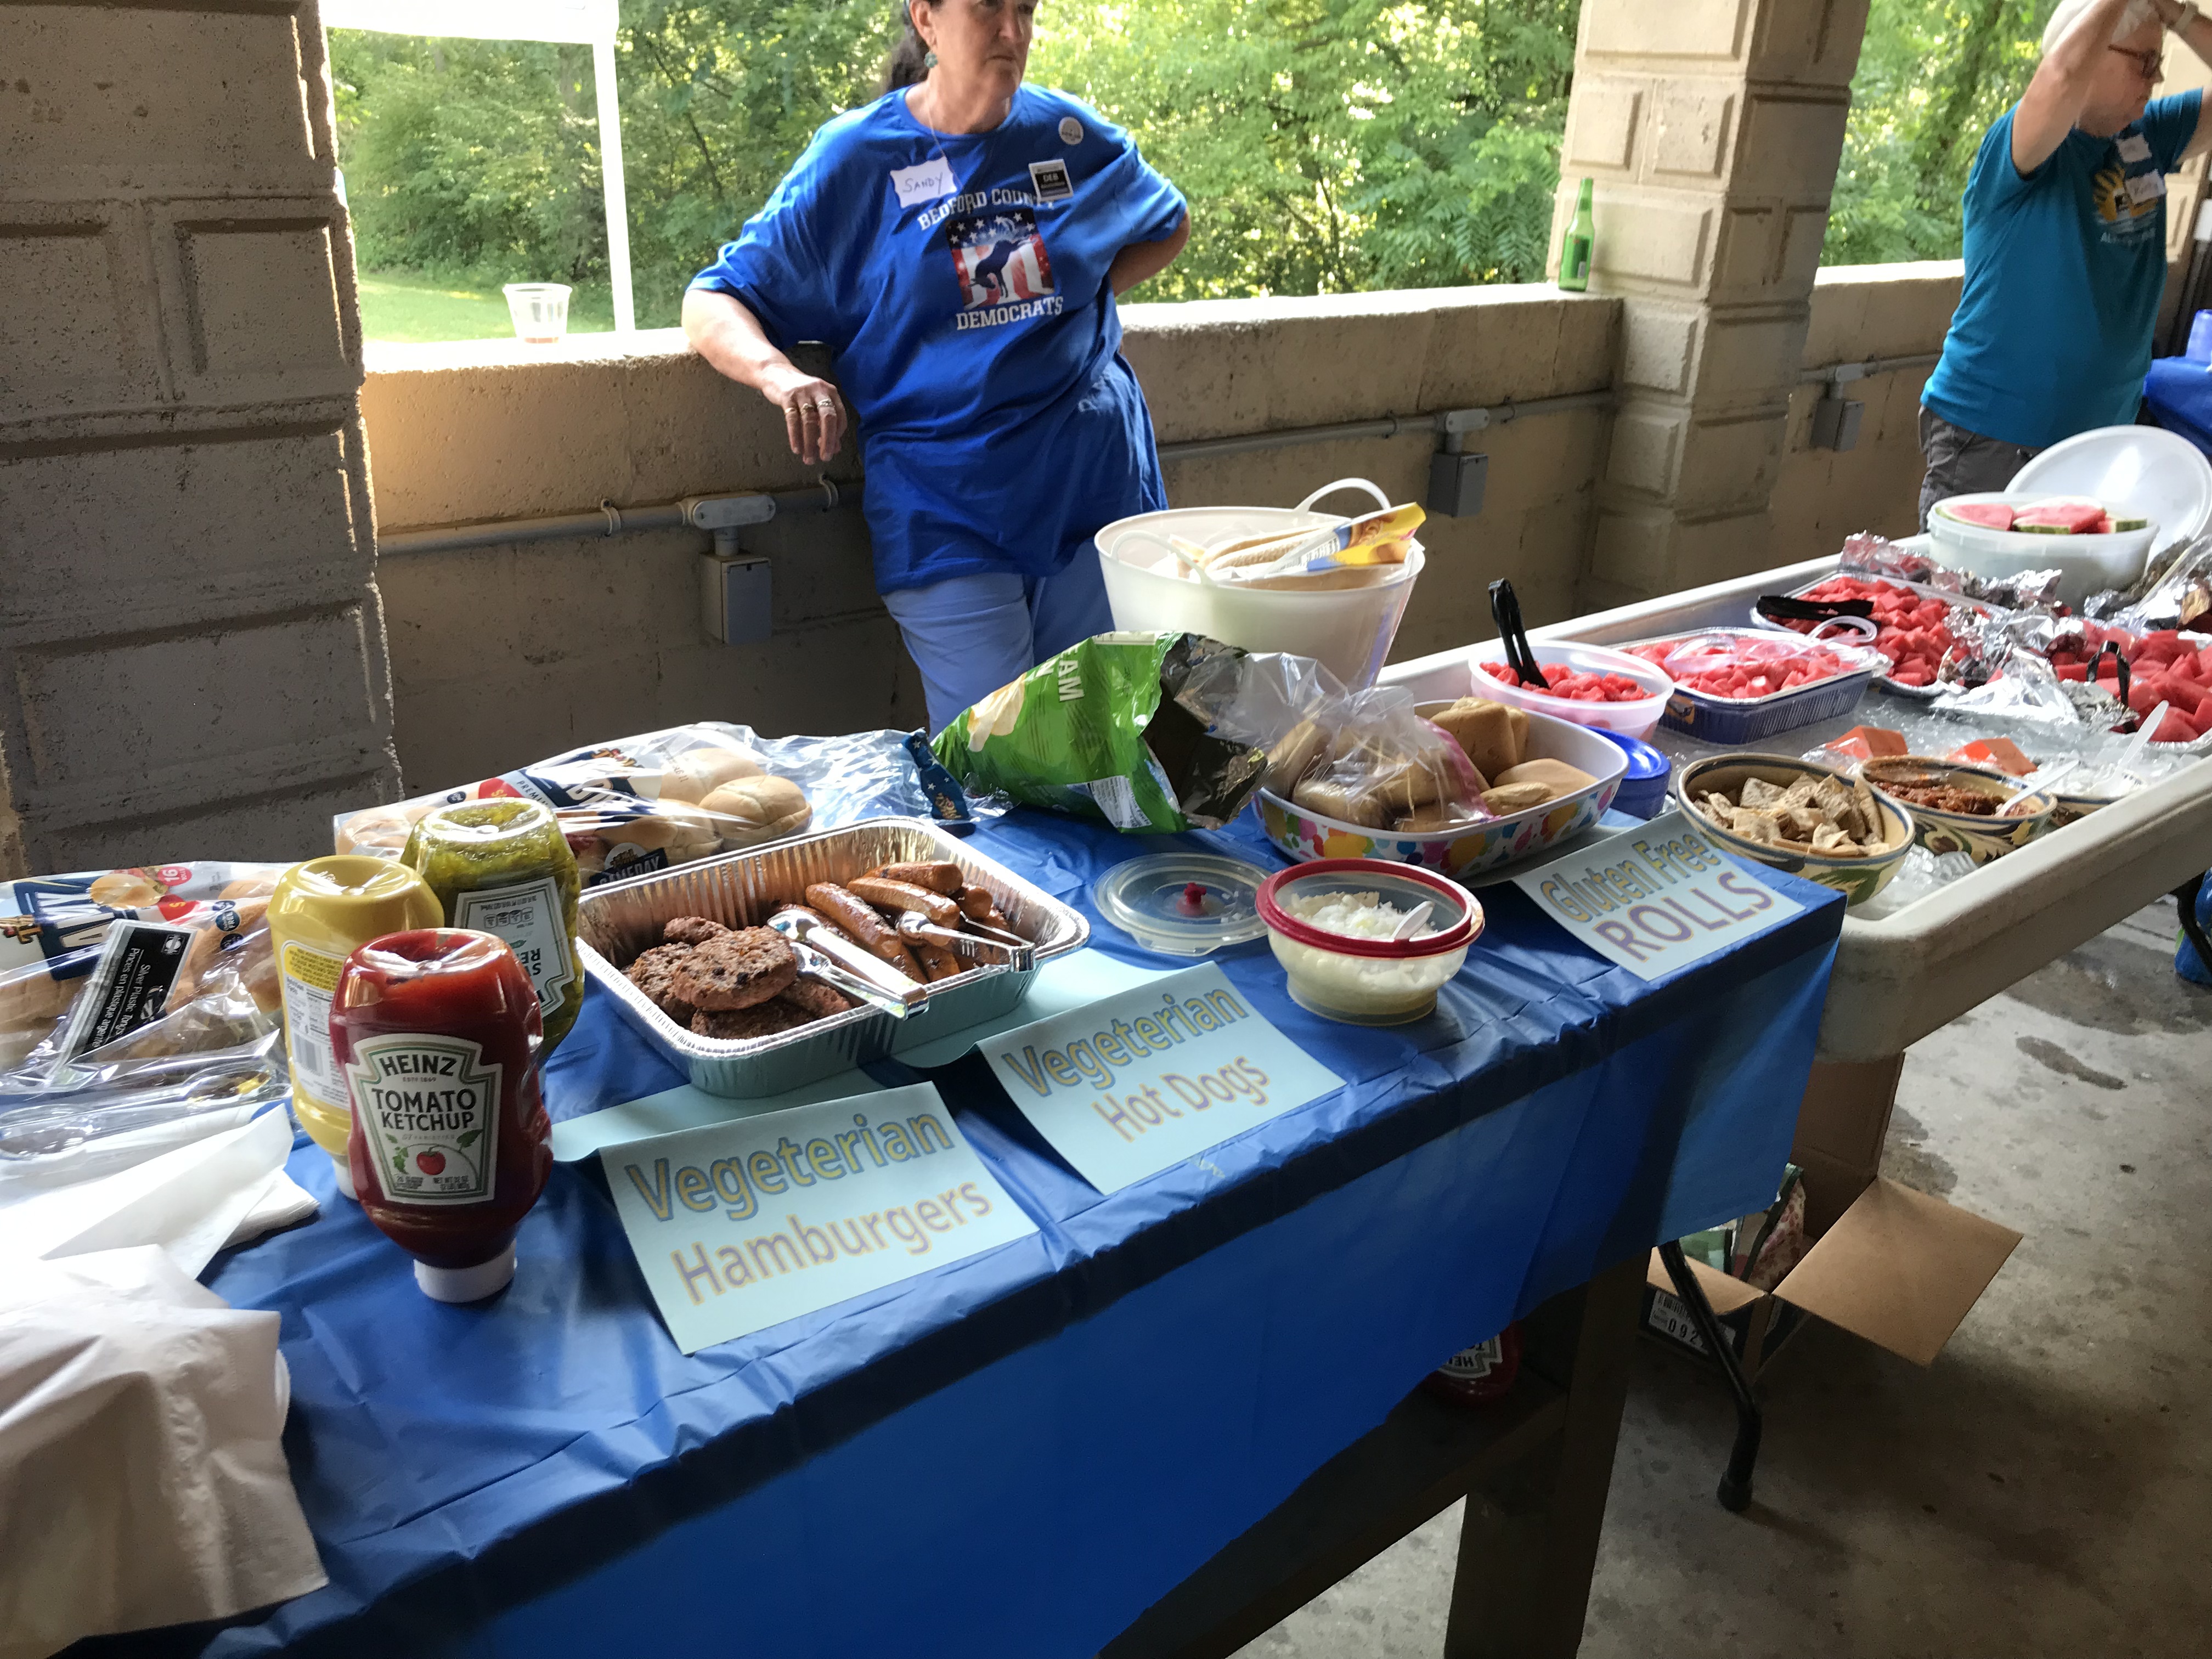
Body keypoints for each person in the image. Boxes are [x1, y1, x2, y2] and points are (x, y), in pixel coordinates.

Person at [683, 0, 1192, 733]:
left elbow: (1167, 221)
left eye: (1025, 8)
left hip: (1097, 490)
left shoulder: (1067, 133)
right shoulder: (859, 158)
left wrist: (1075, 296)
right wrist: (778, 374)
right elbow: (714, 297)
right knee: (999, 754)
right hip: (950, 508)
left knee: (1105, 745)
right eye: (987, 8)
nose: (1012, 30)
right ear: (926, 19)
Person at [1917, 0, 2212, 527]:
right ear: (2092, 53)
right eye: (2144, 61)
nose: (2157, 77)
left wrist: (2181, 16)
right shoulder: (2025, 144)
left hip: (2099, 441)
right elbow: (2060, 77)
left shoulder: (2147, 138)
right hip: (1998, 437)